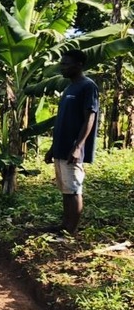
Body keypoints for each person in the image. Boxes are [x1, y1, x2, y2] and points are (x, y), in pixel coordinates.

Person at [44, 49, 99, 235]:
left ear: (79, 65)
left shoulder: (87, 86)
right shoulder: (69, 88)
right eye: (62, 63)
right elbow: (63, 120)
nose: (62, 67)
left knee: (74, 189)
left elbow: (89, 117)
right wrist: (52, 148)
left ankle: (71, 231)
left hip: (73, 149)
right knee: (65, 189)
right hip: (61, 147)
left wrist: (78, 147)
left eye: (66, 64)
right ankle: (65, 225)